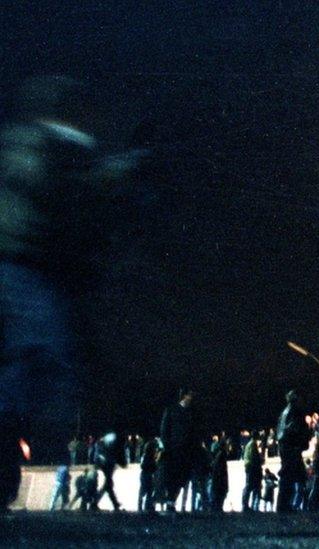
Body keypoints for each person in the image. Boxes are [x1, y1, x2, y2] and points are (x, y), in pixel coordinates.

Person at [0, 76, 141, 509]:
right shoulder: (47, 147)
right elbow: (73, 191)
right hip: (29, 266)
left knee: (37, 361)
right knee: (46, 359)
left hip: (26, 266)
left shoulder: (22, 143)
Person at [159, 388, 196, 513]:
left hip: (185, 451)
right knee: (172, 477)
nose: (191, 398)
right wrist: (167, 446)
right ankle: (170, 502)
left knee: (181, 478)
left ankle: (171, 501)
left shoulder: (189, 413)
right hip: (173, 451)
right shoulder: (171, 410)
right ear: (184, 396)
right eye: (189, 395)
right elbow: (164, 430)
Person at [276, 390, 310, 513]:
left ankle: (284, 504)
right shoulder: (294, 412)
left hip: (286, 446)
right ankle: (283, 505)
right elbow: (295, 429)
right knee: (288, 476)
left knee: (290, 476)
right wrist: (302, 442)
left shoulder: (285, 412)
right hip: (291, 447)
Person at [92, 431, 126, 511]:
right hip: (107, 463)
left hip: (106, 462)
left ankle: (113, 503)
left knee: (108, 484)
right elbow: (116, 452)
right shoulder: (114, 439)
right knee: (108, 484)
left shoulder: (109, 438)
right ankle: (113, 503)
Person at [241, 437, 263, 511]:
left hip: (249, 467)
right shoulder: (253, 444)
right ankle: (248, 505)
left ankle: (246, 505)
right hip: (252, 468)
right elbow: (255, 457)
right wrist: (261, 460)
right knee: (251, 486)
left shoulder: (248, 444)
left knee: (249, 486)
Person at [209, 436, 229, 512]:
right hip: (220, 481)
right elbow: (221, 470)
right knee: (219, 497)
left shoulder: (220, 455)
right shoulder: (221, 455)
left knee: (218, 497)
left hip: (218, 480)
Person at [139, 438, 159, 512]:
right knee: (149, 491)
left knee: (144, 491)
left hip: (144, 475)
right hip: (148, 475)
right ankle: (147, 506)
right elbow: (153, 467)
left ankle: (143, 506)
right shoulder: (150, 457)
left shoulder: (145, 456)